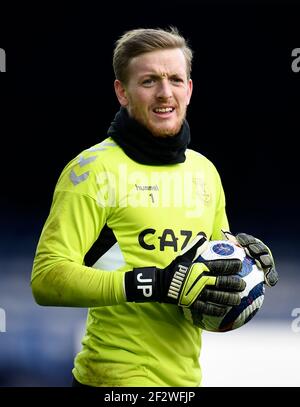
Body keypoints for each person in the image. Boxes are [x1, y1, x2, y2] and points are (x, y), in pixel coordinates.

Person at [31, 27, 278, 387]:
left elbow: (207, 294)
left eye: (175, 79)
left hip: (185, 383)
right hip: (113, 380)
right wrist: (154, 284)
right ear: (122, 92)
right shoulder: (92, 171)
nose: (165, 93)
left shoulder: (204, 172)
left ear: (189, 90)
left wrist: (243, 274)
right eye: (149, 81)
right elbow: (46, 280)